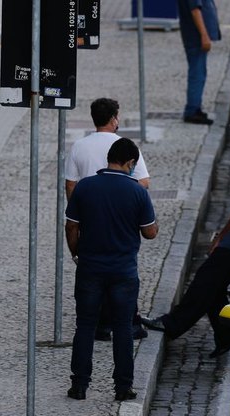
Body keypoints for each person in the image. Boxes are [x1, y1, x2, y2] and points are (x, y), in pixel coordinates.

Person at [141, 134, 230, 357]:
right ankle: (227, 337)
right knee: (214, 290)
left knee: (203, 284)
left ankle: (172, 324)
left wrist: (220, 237)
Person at [65, 137, 158, 401]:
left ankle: (79, 385)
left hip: (90, 267)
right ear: (130, 163)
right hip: (123, 271)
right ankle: (122, 387)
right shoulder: (137, 192)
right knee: (123, 327)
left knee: (84, 325)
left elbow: (71, 225)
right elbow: (149, 232)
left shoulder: (85, 187)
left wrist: (76, 253)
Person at [66, 97, 150, 341]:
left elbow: (70, 184)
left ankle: (100, 324)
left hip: (90, 217)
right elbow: (143, 182)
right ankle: (129, 322)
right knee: (124, 270)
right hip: (121, 217)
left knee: (93, 271)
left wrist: (79, 211)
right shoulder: (125, 146)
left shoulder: (79, 146)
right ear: (114, 119)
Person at [177, 0, 221, 125]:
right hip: (195, 36)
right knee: (197, 74)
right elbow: (195, 11)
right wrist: (204, 35)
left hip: (193, 35)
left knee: (199, 72)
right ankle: (192, 110)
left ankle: (196, 108)